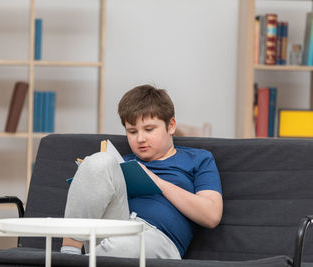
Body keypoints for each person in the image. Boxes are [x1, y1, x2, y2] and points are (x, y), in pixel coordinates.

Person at [61, 84, 223, 259]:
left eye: (149, 129)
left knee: (123, 245)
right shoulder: (122, 162)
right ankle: (69, 255)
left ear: (171, 126)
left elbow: (211, 215)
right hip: (115, 227)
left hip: (159, 239)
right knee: (99, 160)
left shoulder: (198, 159)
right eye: (132, 131)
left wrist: (156, 181)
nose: (140, 139)